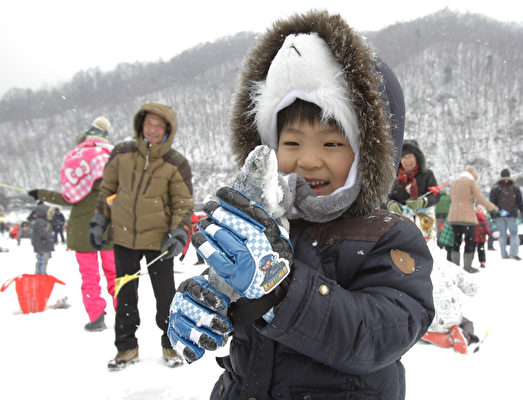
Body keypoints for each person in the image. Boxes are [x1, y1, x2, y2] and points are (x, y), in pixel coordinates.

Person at [167, 11, 434, 399]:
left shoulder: (388, 237)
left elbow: (375, 335)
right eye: (291, 143)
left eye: (331, 143)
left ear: (369, 154)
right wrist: (208, 301)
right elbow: (238, 301)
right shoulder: (268, 227)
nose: (308, 160)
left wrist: (279, 289)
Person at [89, 103, 193, 370]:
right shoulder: (122, 153)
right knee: (125, 296)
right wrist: (99, 221)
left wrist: (179, 233)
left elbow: (182, 203)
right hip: (124, 238)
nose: (153, 129)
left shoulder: (176, 162)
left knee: (166, 297)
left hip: (160, 242)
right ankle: (126, 347)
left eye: (160, 125)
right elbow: (107, 190)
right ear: (141, 125)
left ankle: (171, 343)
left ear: (168, 129)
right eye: (149, 124)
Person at [28, 117, 117, 332]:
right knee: (116, 275)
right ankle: (125, 313)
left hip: (81, 229)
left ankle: (96, 317)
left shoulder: (74, 159)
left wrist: (41, 194)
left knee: (89, 277)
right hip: (109, 225)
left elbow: (67, 198)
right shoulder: (112, 159)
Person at [421, 254, 479, 354]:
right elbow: (473, 289)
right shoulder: (449, 266)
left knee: (415, 329)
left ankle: (432, 336)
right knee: (467, 323)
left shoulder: (411, 266)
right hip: (454, 319)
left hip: (427, 320)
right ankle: (466, 334)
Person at [388, 140, 441, 241]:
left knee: (422, 246)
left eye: (410, 156)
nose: (407, 160)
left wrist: (423, 202)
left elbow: (436, 195)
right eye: (403, 157)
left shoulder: (427, 174)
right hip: (399, 223)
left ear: (417, 157)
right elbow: (384, 197)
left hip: (424, 222)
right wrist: (390, 204)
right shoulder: (394, 177)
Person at [447, 166, 497, 273]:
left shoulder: (454, 183)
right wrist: (492, 207)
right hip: (468, 217)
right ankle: (467, 266)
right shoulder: (471, 182)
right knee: (469, 242)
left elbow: (451, 198)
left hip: (454, 216)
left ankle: (455, 266)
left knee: (456, 241)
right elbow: (480, 198)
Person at [489, 168, 523, 260]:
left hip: (499, 215)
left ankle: (503, 254)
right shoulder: (515, 188)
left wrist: (492, 214)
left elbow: (491, 203)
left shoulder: (495, 188)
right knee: (514, 234)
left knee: (502, 235)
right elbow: (520, 202)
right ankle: (513, 253)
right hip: (512, 214)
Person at [30, 202, 54, 274]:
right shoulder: (40, 221)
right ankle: (40, 273)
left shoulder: (44, 221)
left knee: (44, 259)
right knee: (42, 260)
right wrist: (50, 236)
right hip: (42, 244)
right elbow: (42, 232)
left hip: (44, 244)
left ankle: (42, 272)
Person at [473, 204, 494, 268]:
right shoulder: (483, 219)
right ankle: (482, 262)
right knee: (481, 250)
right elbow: (486, 229)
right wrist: (490, 234)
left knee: (472, 250)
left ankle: (469, 262)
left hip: (473, 237)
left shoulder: (472, 218)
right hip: (481, 238)